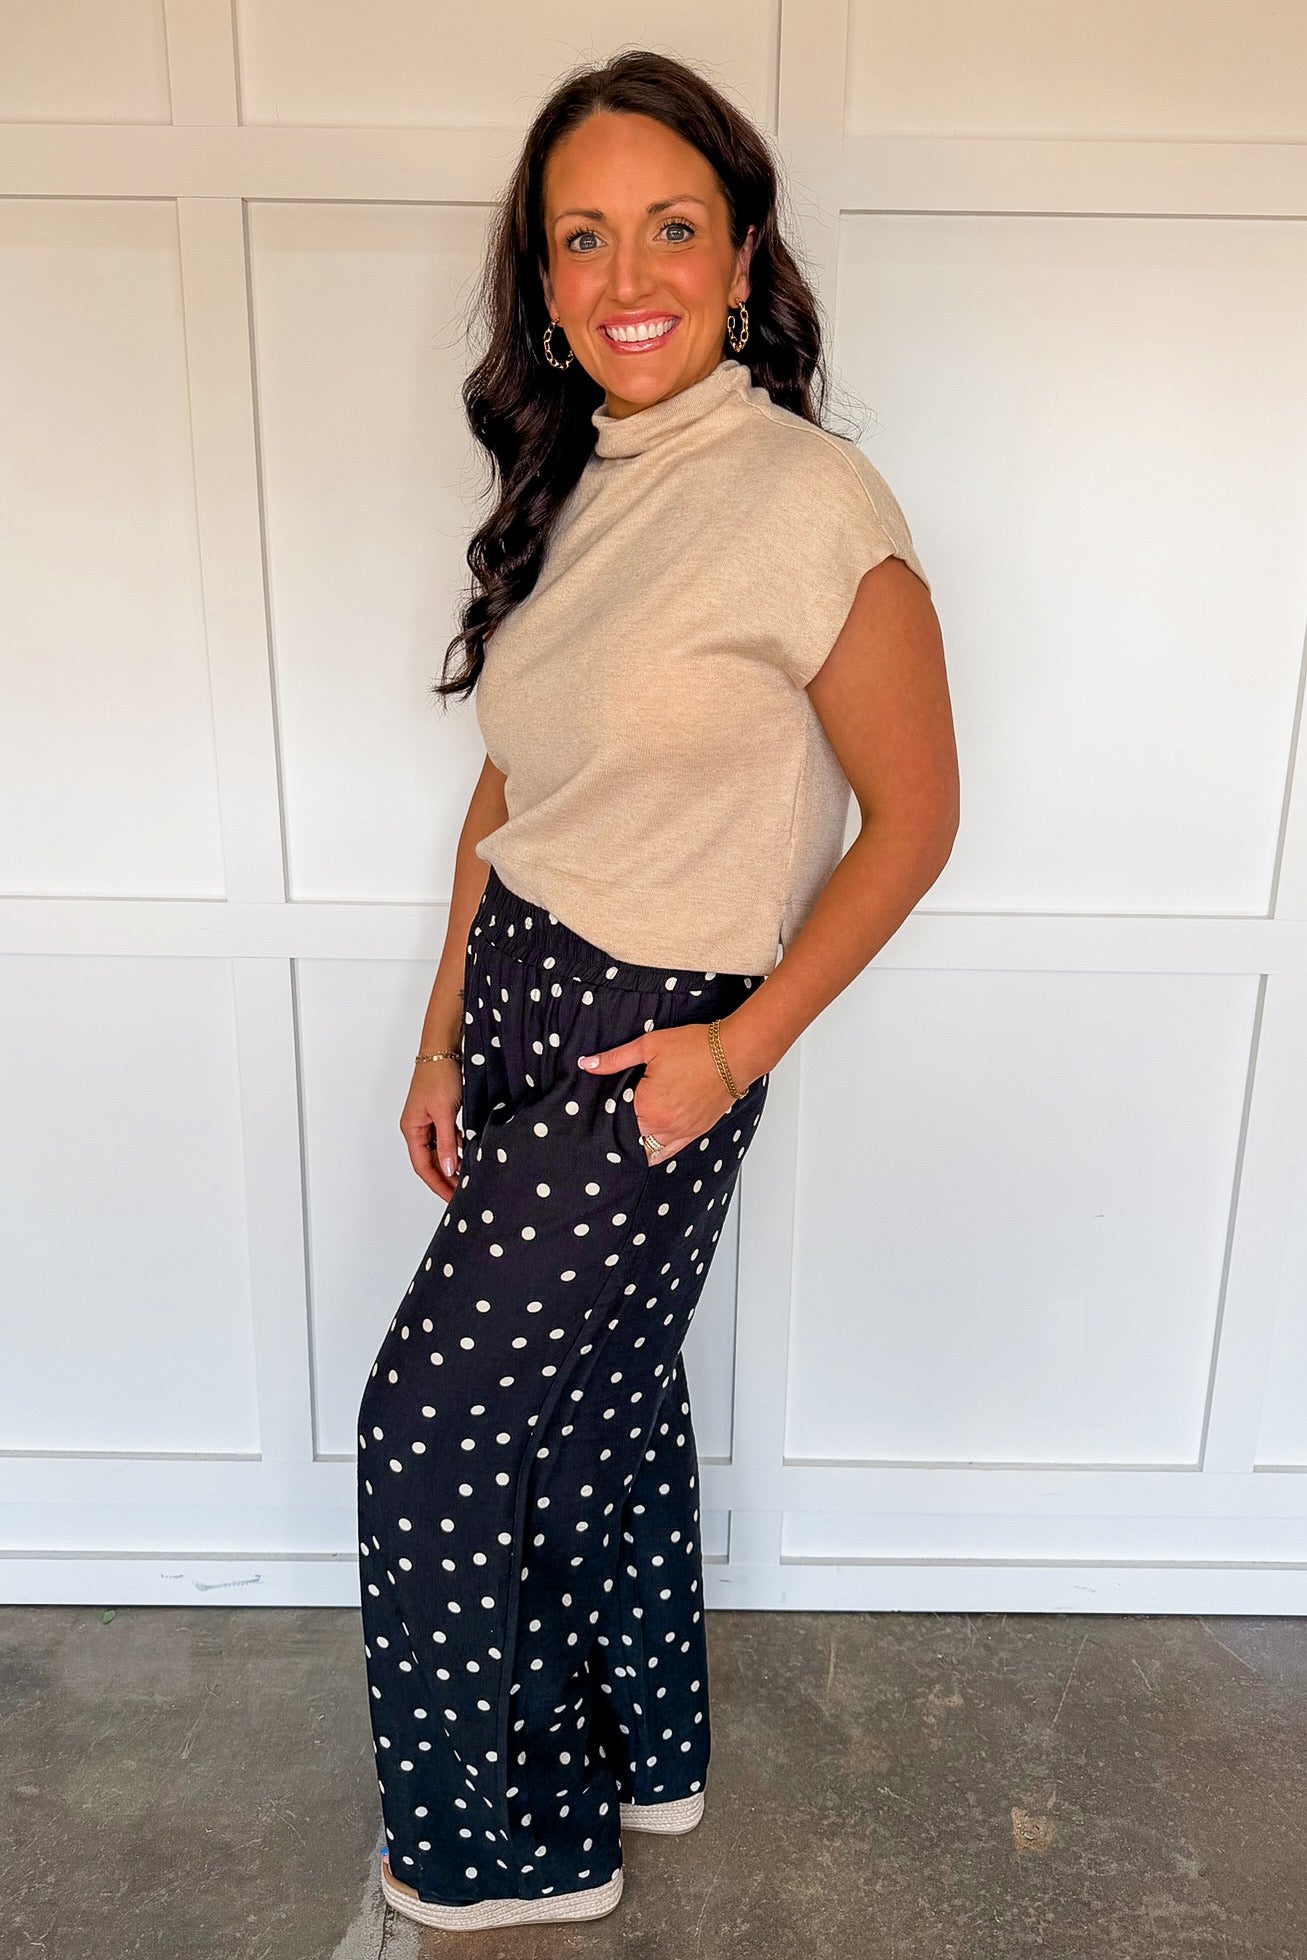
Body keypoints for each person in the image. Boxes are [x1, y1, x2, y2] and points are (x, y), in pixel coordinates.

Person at [356, 47, 958, 1934]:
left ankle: (505, 1849)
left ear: (742, 253)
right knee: (601, 1403)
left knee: (431, 1429)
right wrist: (441, 1035)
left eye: (672, 228)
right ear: (543, 281)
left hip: (658, 1032)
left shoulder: (810, 500)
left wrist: (731, 1054)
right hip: (518, 1000)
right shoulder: (573, 488)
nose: (629, 276)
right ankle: (643, 1753)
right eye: (584, 237)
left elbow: (917, 820)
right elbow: (508, 791)